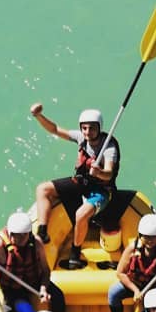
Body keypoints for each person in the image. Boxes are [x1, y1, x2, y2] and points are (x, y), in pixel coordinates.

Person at [29, 105, 119, 269]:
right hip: (81, 183)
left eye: (92, 128)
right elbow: (55, 129)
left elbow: (109, 173)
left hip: (101, 191)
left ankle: (75, 253)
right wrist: (38, 116)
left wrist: (99, 172)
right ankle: (42, 232)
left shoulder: (109, 146)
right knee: (43, 189)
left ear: (99, 128)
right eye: (84, 128)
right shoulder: (81, 138)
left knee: (80, 214)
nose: (87, 132)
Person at [0, 211, 79, 312]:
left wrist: (43, 288)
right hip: (14, 291)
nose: (18, 239)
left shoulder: (36, 244)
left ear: (28, 234)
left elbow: (46, 271)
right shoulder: (0, 246)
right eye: (15, 235)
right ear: (10, 233)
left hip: (34, 282)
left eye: (23, 235)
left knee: (58, 296)